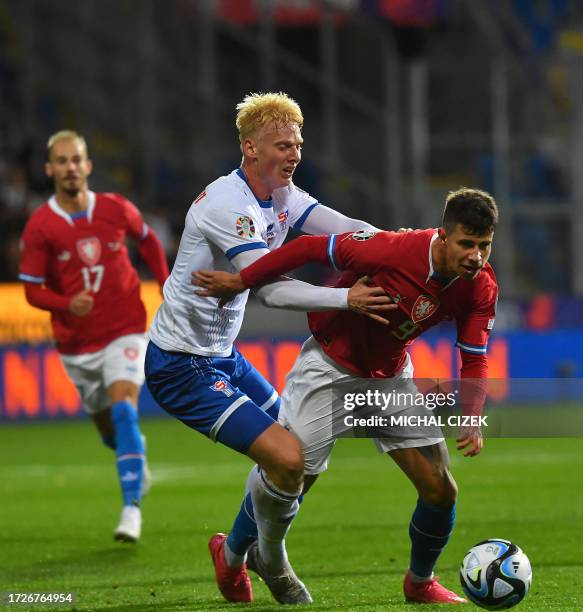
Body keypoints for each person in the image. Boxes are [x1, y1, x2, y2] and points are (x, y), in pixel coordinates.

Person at [144, 92, 397, 604]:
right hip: (179, 365)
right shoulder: (227, 205)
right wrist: (345, 297)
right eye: (283, 145)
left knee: (300, 461)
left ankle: (235, 553)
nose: (294, 153)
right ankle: (269, 561)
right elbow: (270, 288)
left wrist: (404, 245)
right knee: (287, 459)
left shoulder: (282, 195)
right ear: (249, 147)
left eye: (298, 143)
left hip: (223, 358)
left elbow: (345, 229)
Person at [193, 187, 499, 605]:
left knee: (440, 488)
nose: (475, 256)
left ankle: (420, 582)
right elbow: (308, 246)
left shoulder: (480, 285)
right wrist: (241, 279)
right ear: (443, 236)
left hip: (390, 380)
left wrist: (473, 415)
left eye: (484, 246)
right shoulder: (392, 250)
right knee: (291, 478)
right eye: (467, 244)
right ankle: (233, 554)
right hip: (328, 370)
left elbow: (475, 359)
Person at [19, 130, 169, 543]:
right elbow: (32, 289)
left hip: (125, 329)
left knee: (124, 410)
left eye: (77, 159)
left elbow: (149, 240)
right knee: (109, 429)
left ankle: (131, 510)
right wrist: (67, 304)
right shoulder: (41, 227)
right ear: (50, 170)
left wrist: (164, 282)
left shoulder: (115, 208)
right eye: (62, 161)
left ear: (88, 165)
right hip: (76, 345)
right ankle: (134, 459)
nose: (70, 167)